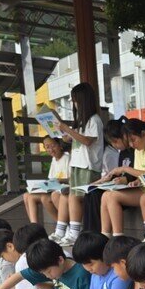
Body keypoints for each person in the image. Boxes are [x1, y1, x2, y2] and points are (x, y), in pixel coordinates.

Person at [100, 118, 145, 239]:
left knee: (116, 196)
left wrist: (124, 169)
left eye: (133, 140)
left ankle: (123, 238)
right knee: (106, 195)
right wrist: (136, 181)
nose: (132, 145)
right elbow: (141, 175)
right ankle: (106, 237)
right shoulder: (138, 149)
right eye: (129, 142)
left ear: (144, 134)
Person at [53, 82, 103, 242]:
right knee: (73, 196)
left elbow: (88, 141)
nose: (74, 104)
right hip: (77, 164)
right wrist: (64, 133)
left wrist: (68, 130)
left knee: (77, 197)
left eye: (75, 100)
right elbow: (75, 138)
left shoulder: (94, 120)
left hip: (88, 166)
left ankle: (74, 233)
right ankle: (69, 231)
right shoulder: (81, 122)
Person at [88, 119, 135, 234]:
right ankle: (94, 233)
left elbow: (137, 172)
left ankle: (103, 233)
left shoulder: (134, 150)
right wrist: (104, 180)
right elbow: (119, 172)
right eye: (112, 143)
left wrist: (125, 179)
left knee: (103, 195)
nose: (115, 145)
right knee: (91, 191)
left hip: (131, 188)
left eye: (115, 141)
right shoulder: (122, 152)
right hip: (121, 186)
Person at [25, 137, 70, 226]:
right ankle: (34, 226)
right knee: (27, 196)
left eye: (53, 146)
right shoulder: (54, 160)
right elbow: (51, 179)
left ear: (60, 145)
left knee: (45, 198)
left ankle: (62, 226)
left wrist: (58, 180)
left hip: (64, 190)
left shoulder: (67, 158)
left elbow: (72, 179)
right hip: (54, 189)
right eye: (47, 147)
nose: (51, 149)